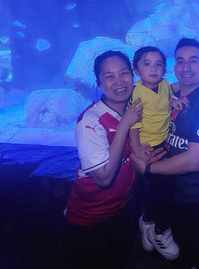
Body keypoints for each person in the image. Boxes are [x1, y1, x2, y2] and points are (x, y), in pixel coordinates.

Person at [131, 38, 199, 269]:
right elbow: (157, 87)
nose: (186, 67)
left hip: (192, 201)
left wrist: (148, 169)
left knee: (188, 260)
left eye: (193, 61)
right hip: (165, 194)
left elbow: (194, 161)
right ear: (174, 67)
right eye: (180, 61)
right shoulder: (171, 93)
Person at [62, 50, 160, 268]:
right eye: (109, 76)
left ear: (133, 76)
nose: (119, 81)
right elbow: (104, 179)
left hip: (123, 210)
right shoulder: (91, 121)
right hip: (89, 219)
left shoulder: (134, 108)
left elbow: (161, 89)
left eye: (124, 73)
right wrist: (125, 124)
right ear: (99, 84)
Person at [129, 46, 186, 260]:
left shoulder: (163, 84)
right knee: (155, 186)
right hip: (148, 146)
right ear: (136, 70)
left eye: (158, 64)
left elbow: (168, 97)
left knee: (164, 184)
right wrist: (137, 150)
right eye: (147, 64)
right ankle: (151, 224)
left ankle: (148, 222)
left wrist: (175, 102)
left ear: (164, 68)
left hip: (165, 141)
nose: (153, 69)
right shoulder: (136, 93)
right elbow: (133, 124)